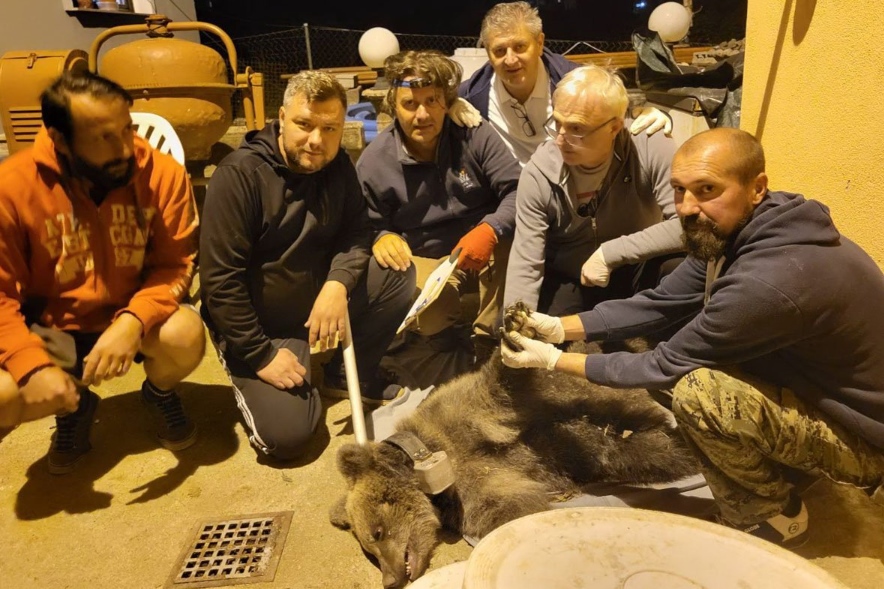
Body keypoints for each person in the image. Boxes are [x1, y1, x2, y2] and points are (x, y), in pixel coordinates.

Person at [500, 127, 884, 547]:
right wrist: (558, 326)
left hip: (865, 440)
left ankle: (772, 516)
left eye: (707, 189)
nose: (687, 207)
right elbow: (660, 302)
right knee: (686, 355)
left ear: (756, 188)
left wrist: (552, 360)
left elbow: (662, 364)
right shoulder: (744, 230)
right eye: (679, 191)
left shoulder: (768, 280)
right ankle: (784, 468)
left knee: (697, 391)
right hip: (821, 391)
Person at [199, 71, 414, 461]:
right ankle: (259, 368)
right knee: (290, 439)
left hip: (317, 301)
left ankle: (344, 374)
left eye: (329, 128)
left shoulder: (337, 167)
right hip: (262, 324)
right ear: (281, 117)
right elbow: (219, 282)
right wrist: (260, 355)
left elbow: (356, 233)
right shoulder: (239, 176)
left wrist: (338, 285)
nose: (316, 140)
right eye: (304, 124)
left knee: (396, 272)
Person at [0, 71, 204, 474]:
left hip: (131, 318)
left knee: (186, 334)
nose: (125, 149)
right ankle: (73, 406)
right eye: (103, 137)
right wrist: (31, 365)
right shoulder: (12, 186)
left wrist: (132, 322)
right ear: (60, 140)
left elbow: (175, 263)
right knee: (4, 396)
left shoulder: (162, 174)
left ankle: (160, 393)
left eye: (126, 129)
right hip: (52, 330)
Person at [357, 50, 522, 370]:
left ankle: (489, 340)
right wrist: (381, 236)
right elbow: (360, 224)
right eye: (410, 104)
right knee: (431, 310)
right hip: (427, 257)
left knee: (515, 239)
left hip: (483, 244)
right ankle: (440, 332)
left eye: (432, 101)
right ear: (393, 106)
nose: (422, 114)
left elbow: (518, 189)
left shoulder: (475, 133)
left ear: (447, 102)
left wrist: (492, 227)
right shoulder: (374, 162)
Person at [504, 64, 683, 317]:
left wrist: (611, 253)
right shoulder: (539, 171)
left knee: (680, 268)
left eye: (576, 128)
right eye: (557, 123)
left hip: (637, 264)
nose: (560, 138)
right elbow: (526, 259)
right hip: (573, 275)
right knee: (546, 330)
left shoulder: (648, 144)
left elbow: (689, 225)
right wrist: (516, 325)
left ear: (614, 127)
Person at [459, 1, 671, 166]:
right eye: (499, 50)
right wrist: (450, 103)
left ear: (540, 43)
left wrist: (649, 112)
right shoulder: (473, 94)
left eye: (520, 46)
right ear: (487, 52)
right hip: (507, 198)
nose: (510, 59)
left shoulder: (576, 82)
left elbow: (621, 110)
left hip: (570, 189)